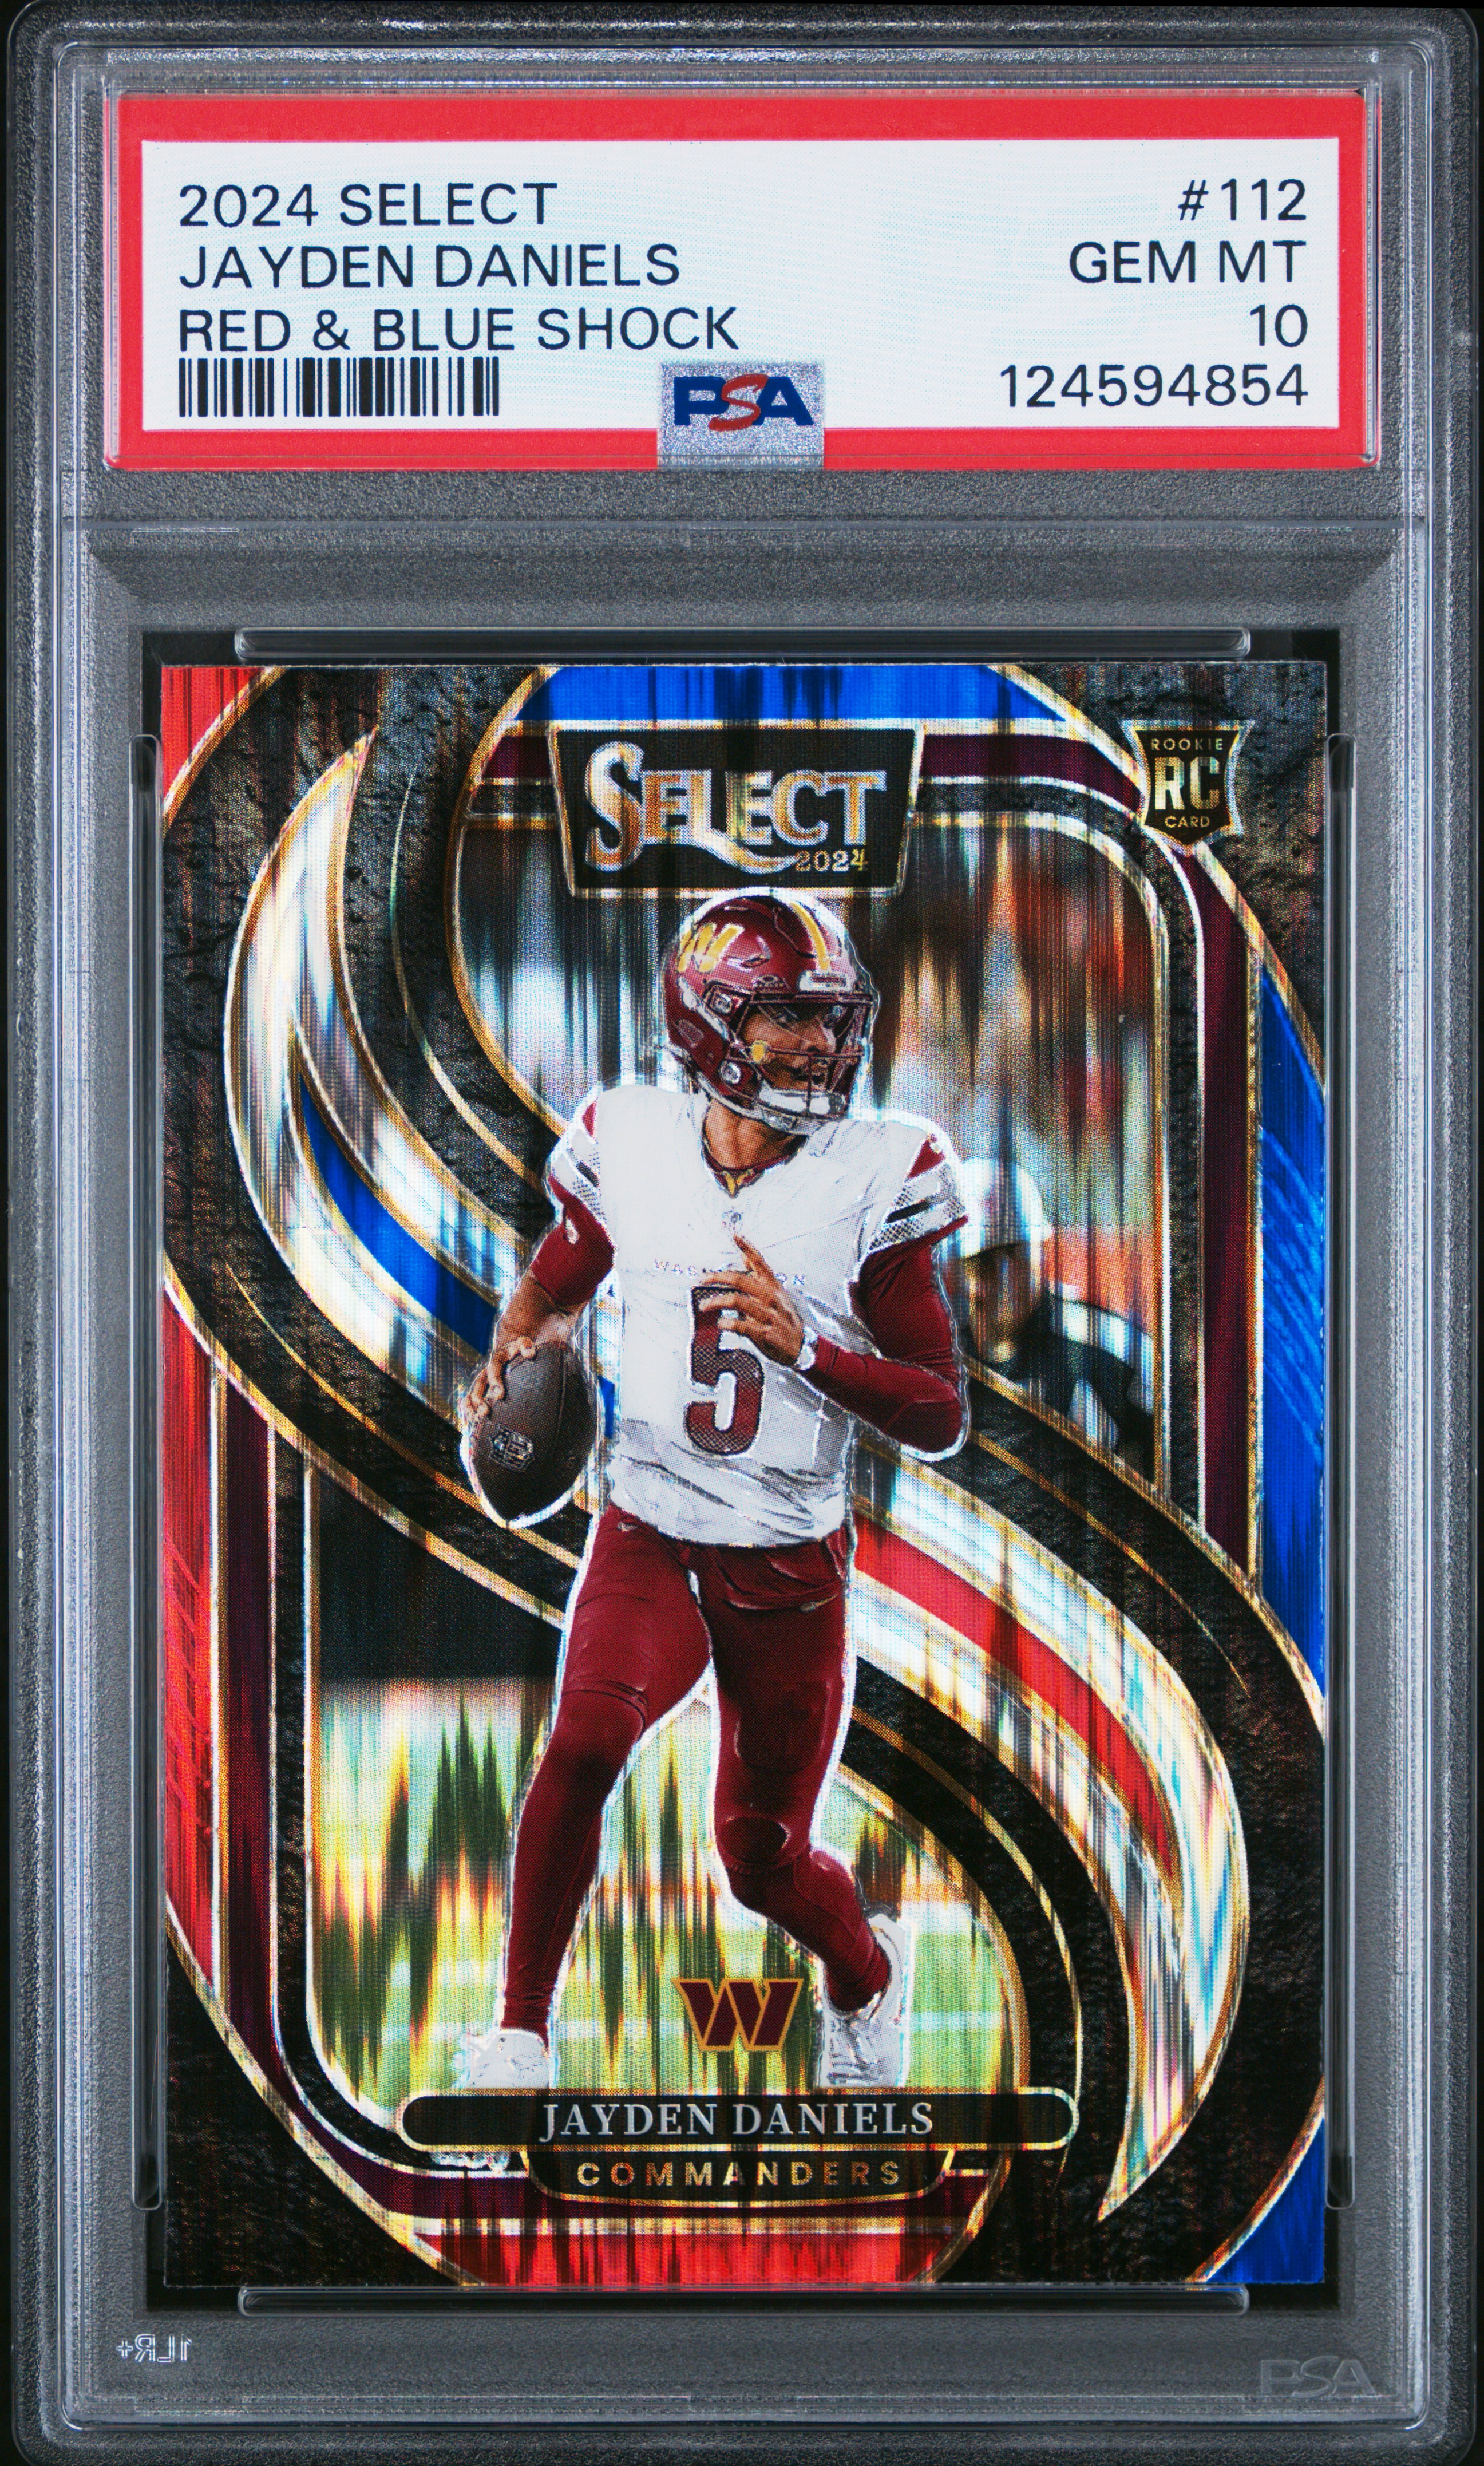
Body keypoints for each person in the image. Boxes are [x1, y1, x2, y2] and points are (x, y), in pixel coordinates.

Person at [458, 890, 967, 2092]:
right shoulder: (630, 1140)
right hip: (650, 1529)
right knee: (584, 1737)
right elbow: (554, 1286)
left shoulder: (873, 1174)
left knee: (760, 1858)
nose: (819, 1044)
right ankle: (519, 2035)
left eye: (830, 1019)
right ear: (708, 1022)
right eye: (786, 1017)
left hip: (787, 1558)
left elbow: (941, 1412)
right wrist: (517, 1357)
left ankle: (867, 1973)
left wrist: (811, 1351)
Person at [954, 1158, 1154, 1475]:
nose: (1004, 1277)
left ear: (1041, 1249)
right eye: (984, 1261)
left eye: (1014, 1252)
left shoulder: (1116, 1350)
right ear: (956, 1267)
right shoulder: (934, 1359)